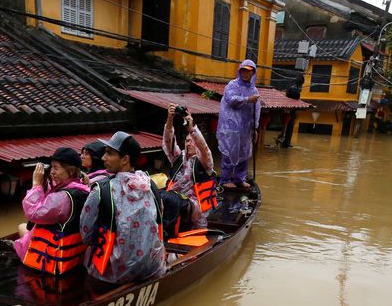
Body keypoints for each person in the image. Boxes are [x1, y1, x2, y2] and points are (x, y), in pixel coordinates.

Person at [80, 131, 166, 284]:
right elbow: (160, 215)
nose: (103, 158)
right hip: (152, 266)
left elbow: (85, 234)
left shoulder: (100, 190)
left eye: (109, 153)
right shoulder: (150, 185)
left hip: (114, 274)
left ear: (125, 159)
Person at [14, 147, 91, 275]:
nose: (52, 172)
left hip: (52, 255)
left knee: (21, 227)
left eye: (56, 168)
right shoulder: (83, 188)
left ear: (71, 171)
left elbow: (33, 214)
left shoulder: (62, 197)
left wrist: (36, 185)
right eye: (51, 167)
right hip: (73, 251)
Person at [163, 103, 217, 232]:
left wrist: (191, 129)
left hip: (194, 204)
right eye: (187, 141)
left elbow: (204, 149)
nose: (190, 143)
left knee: (175, 203)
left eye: (192, 141)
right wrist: (170, 119)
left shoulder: (204, 161)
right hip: (175, 198)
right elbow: (168, 142)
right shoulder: (178, 158)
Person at [217, 59, 261, 189]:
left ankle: (239, 179)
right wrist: (247, 99)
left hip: (245, 129)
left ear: (253, 73)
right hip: (231, 127)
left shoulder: (254, 90)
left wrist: (255, 128)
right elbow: (231, 100)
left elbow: (256, 110)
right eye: (243, 71)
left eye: (248, 71)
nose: (245, 74)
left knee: (244, 153)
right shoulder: (232, 85)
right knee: (229, 152)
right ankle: (224, 180)